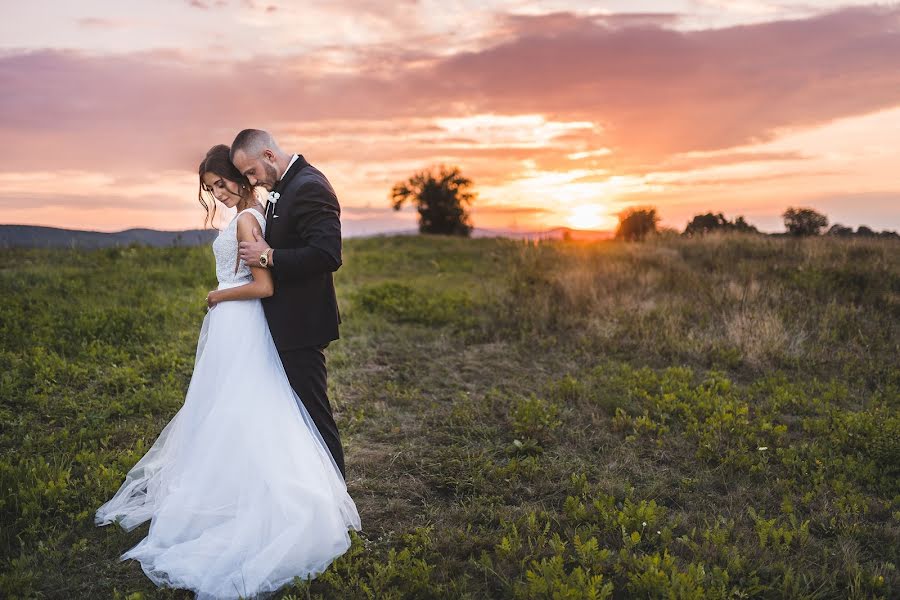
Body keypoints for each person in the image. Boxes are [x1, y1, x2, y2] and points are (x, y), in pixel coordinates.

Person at [95, 144, 360, 600]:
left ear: (244, 174)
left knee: (258, 409)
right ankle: (256, 488)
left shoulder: (251, 217)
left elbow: (263, 283)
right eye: (211, 188)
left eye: (223, 183)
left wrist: (219, 296)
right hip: (240, 327)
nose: (218, 193)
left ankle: (323, 497)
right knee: (233, 410)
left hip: (243, 320)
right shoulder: (254, 210)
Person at [230, 129, 346, 479]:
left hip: (302, 324)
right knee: (292, 413)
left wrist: (267, 256)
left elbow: (328, 254)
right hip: (283, 324)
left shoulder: (309, 186)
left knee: (313, 413)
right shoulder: (285, 187)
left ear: (268, 155)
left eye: (251, 172)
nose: (252, 181)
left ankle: (335, 496)